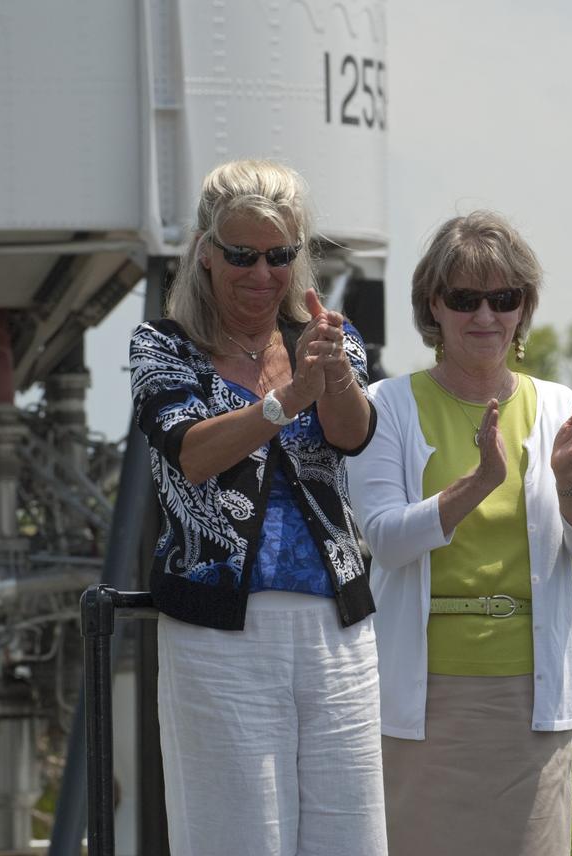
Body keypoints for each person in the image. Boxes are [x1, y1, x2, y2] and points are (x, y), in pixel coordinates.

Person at [129, 159, 387, 855]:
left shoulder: (328, 338)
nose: (261, 273)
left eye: (280, 256)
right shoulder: (163, 345)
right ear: (206, 254)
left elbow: (352, 433)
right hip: (218, 634)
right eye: (242, 255)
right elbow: (191, 452)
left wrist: (330, 375)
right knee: (236, 838)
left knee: (350, 837)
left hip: (337, 631)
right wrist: (281, 403)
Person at [347, 210, 572, 856]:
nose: (486, 316)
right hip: (421, 701)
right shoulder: (387, 404)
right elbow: (383, 539)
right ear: (432, 307)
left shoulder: (557, 404)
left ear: (524, 310)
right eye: (465, 299)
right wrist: (478, 481)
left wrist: (568, 479)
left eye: (504, 298)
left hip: (530, 703)